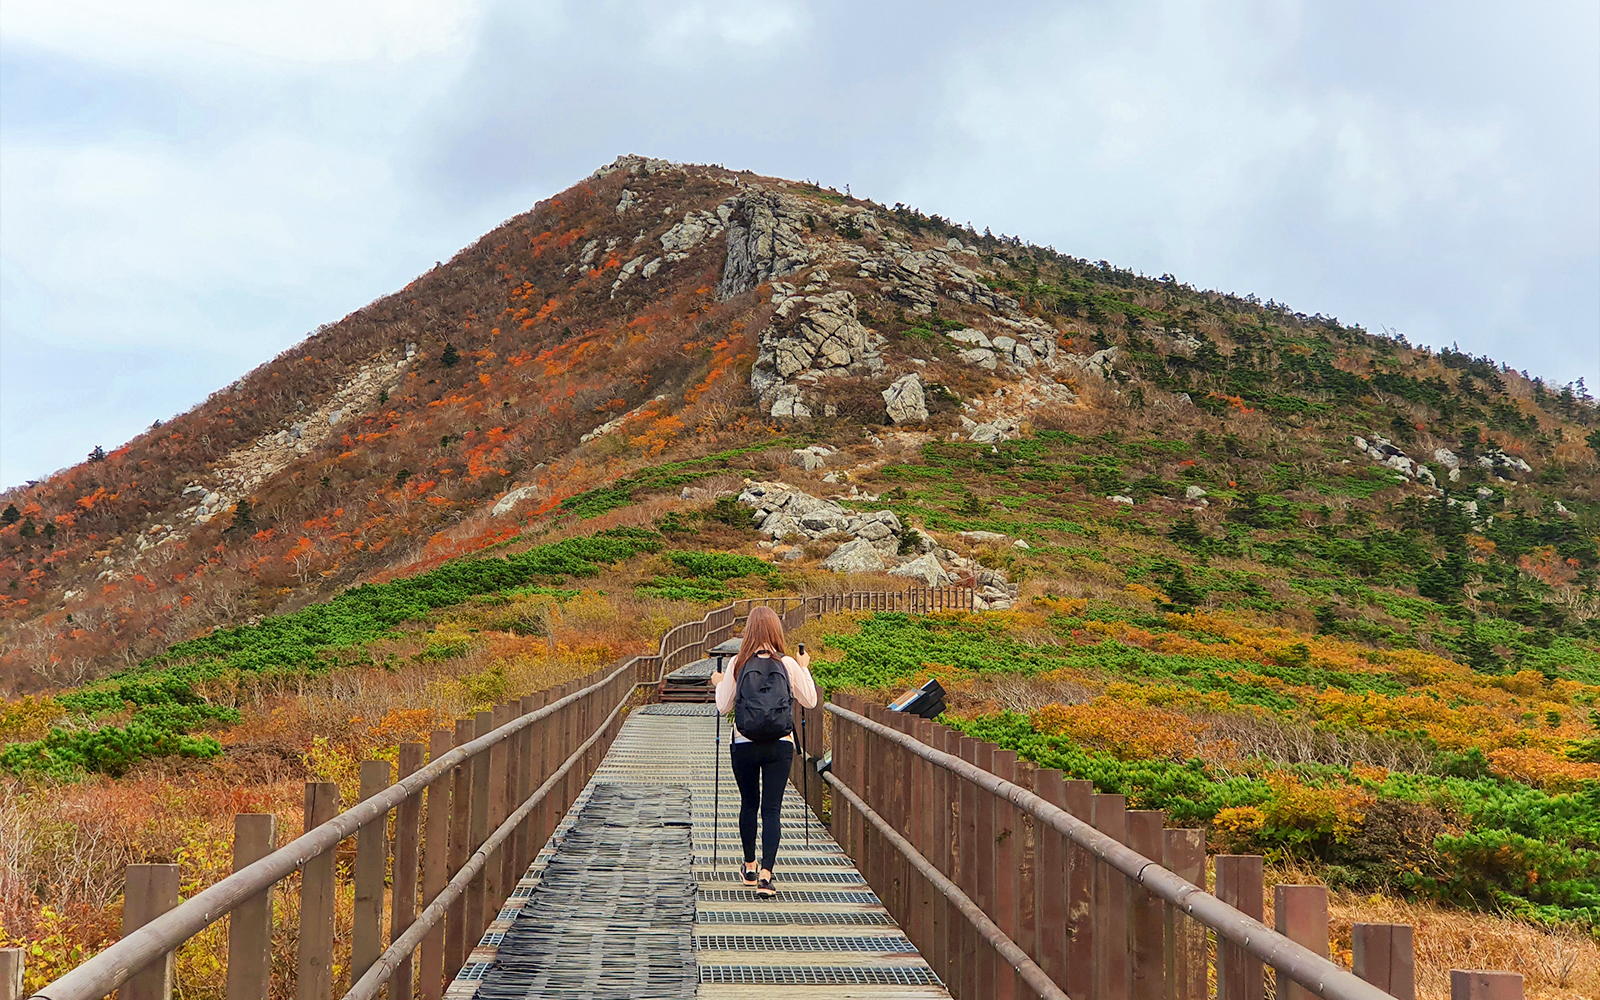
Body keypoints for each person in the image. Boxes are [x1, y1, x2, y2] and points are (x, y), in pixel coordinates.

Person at [709, 605, 819, 898]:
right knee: (772, 809)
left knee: (749, 804)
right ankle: (767, 876)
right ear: (776, 631)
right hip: (781, 744)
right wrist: (804, 666)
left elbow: (723, 707)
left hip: (744, 742)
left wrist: (719, 683)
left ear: (748, 631)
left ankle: (748, 866)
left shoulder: (736, 662)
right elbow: (809, 701)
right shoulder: (788, 664)